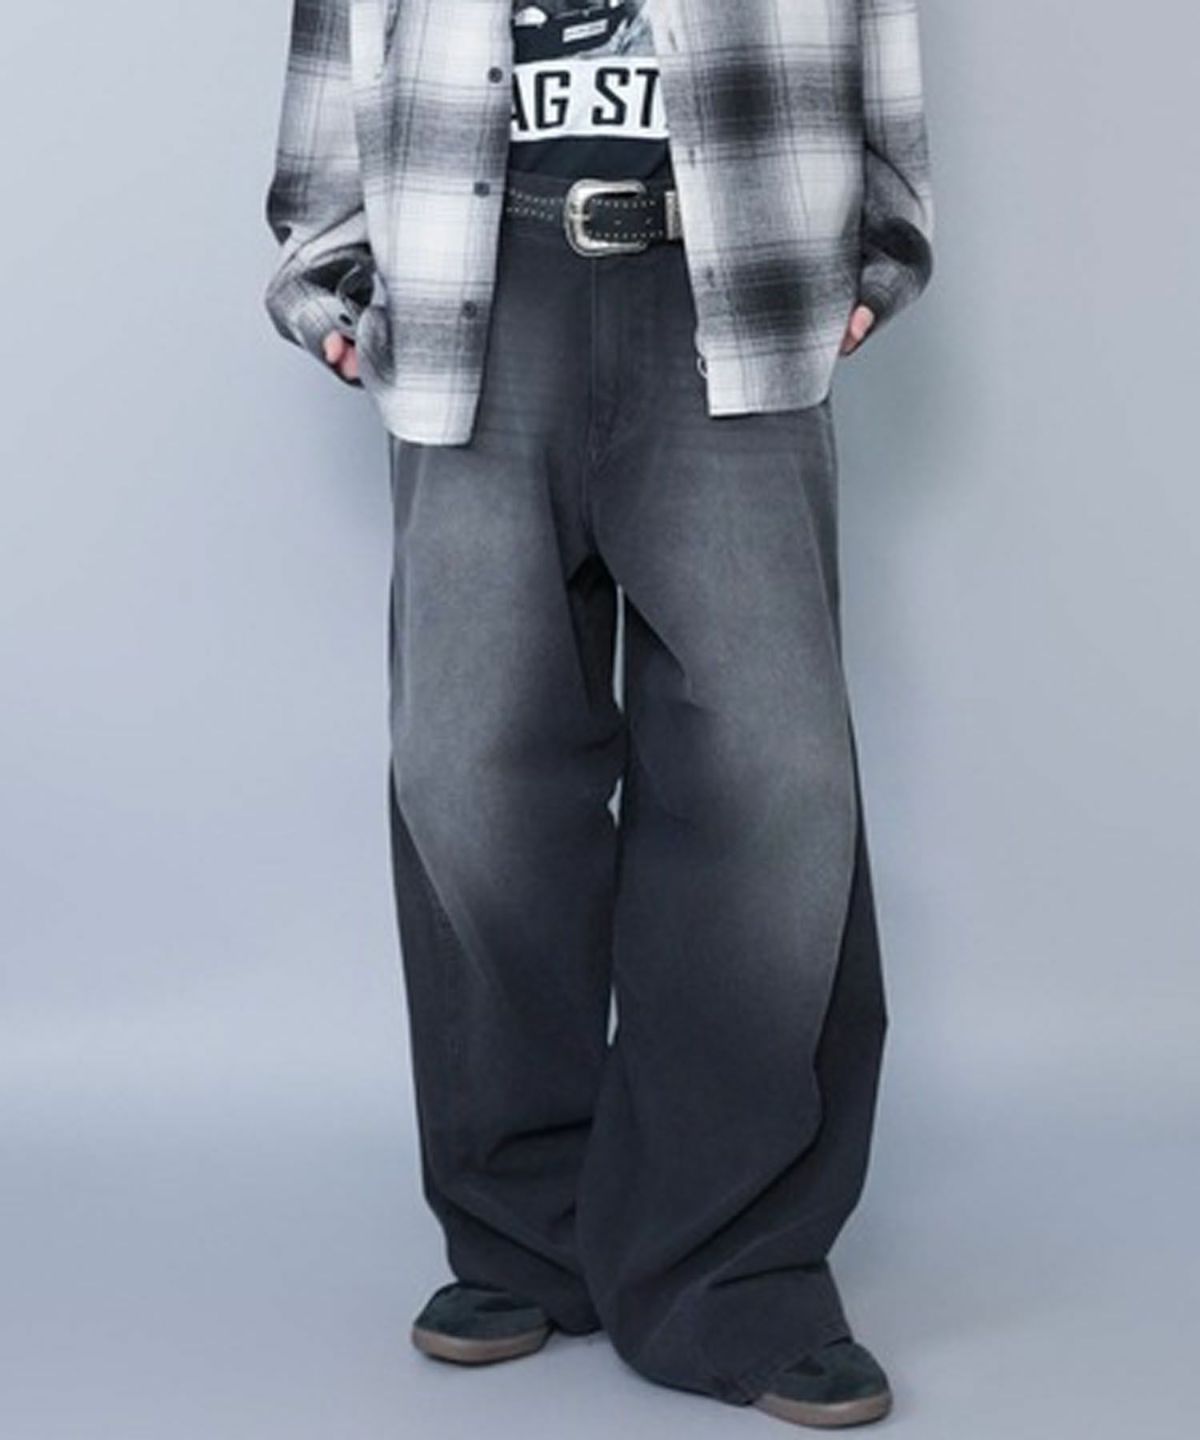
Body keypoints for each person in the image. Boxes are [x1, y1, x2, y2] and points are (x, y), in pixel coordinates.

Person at [263, 0, 933, 1427]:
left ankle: (736, 1272)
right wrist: (332, 274)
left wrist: (880, 246)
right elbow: (339, 34)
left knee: (768, 784)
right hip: (475, 279)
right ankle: (526, 1232)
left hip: (726, 272)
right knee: (472, 775)